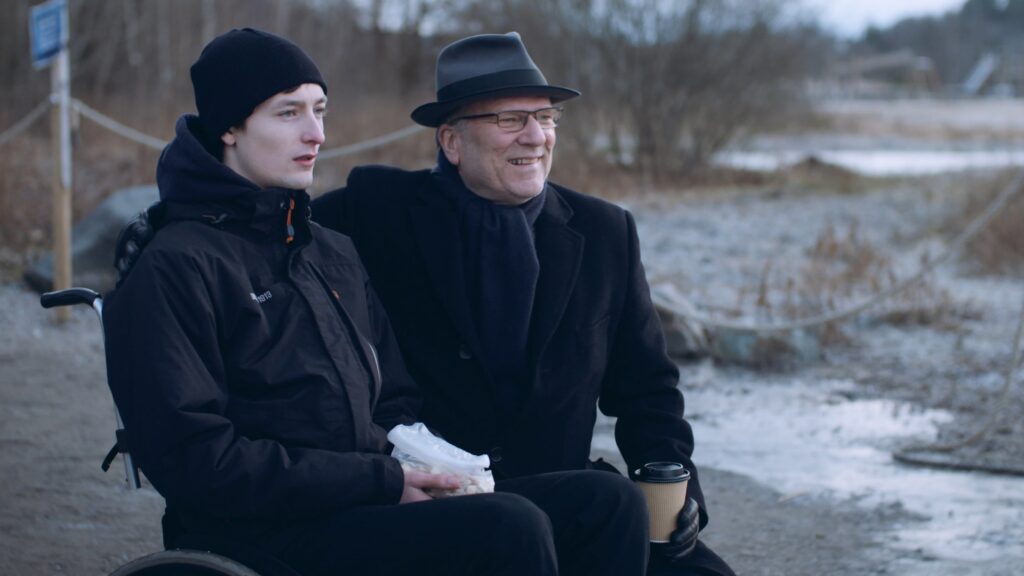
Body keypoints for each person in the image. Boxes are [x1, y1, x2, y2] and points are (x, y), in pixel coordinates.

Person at [105, 28, 642, 576]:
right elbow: (194, 459)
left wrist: (439, 473)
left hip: (365, 500)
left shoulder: (329, 249)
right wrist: (383, 482)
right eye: (288, 113)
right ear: (229, 128)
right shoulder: (175, 263)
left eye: (320, 111)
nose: (315, 133)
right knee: (508, 526)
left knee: (604, 504)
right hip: (263, 528)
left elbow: (394, 405)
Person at [310, 32, 735, 576]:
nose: (537, 136)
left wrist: (674, 480)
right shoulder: (374, 217)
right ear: (452, 142)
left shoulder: (605, 232)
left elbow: (648, 391)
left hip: (569, 497)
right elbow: (267, 221)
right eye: (510, 120)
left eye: (547, 117)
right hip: (440, 504)